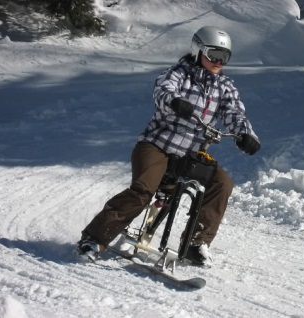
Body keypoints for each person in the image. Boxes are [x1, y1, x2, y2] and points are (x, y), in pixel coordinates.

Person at [76, 26, 260, 266]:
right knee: (143, 191)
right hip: (156, 145)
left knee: (222, 184)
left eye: (224, 57)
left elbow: (235, 112)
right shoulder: (179, 74)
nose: (218, 61)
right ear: (198, 51)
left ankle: (196, 244)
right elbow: (163, 90)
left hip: (190, 154)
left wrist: (245, 134)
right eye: (213, 55)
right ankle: (93, 239)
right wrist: (174, 102)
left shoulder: (224, 86)